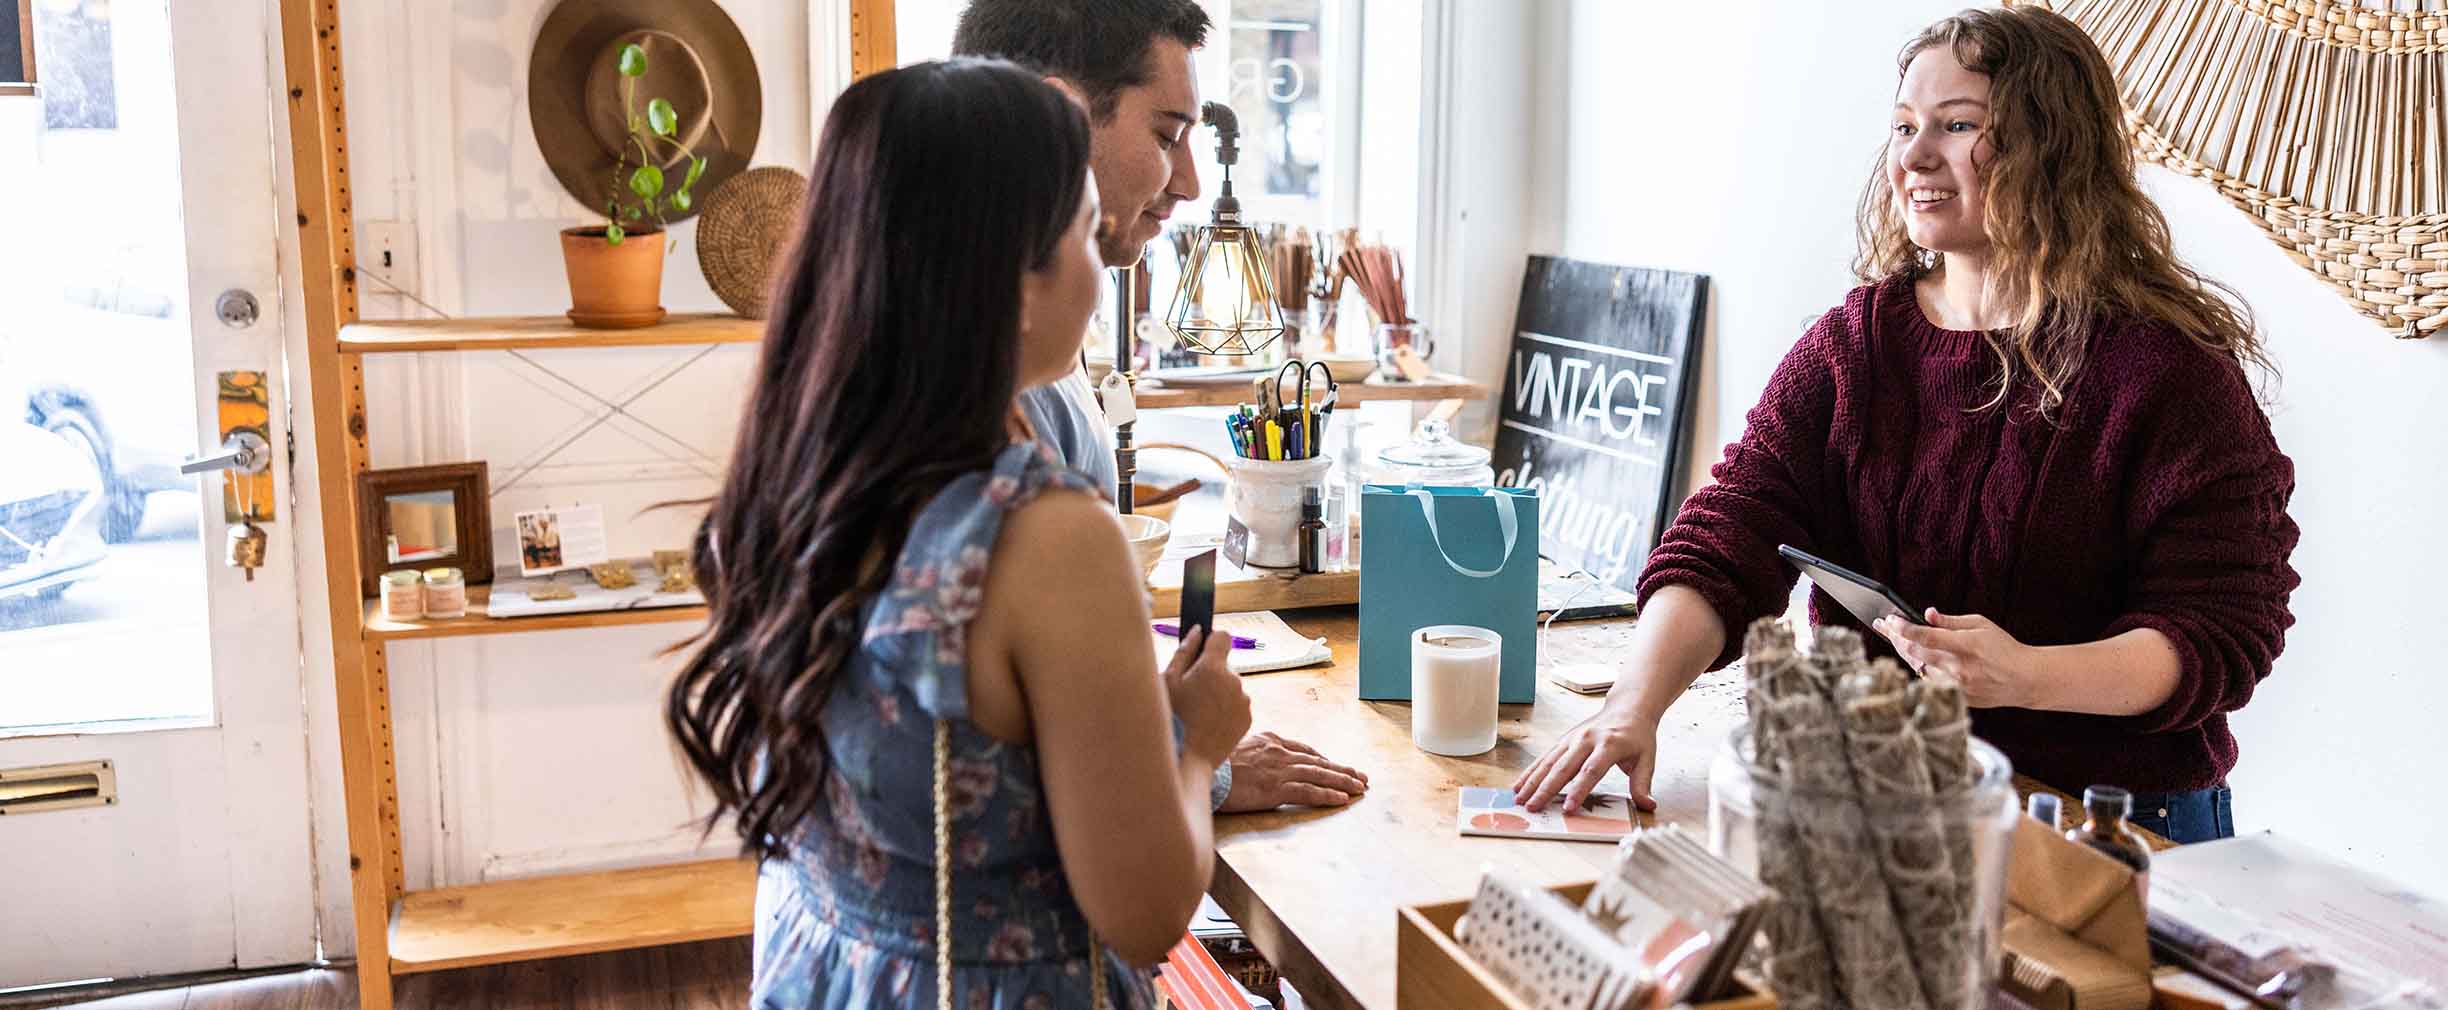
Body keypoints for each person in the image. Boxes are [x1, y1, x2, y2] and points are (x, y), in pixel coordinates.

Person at [1513, 6, 2299, 846]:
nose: (1915, 157)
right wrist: (1633, 710)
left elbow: (2223, 628)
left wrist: (2023, 676)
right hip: (1884, 802)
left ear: (2056, 150)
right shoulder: (1858, 346)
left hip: (2110, 828)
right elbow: (1726, 536)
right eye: (1903, 127)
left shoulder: (2167, 374)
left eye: (1958, 126)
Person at [665, 60, 1248, 1008]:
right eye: (1084, 233)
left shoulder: (798, 475)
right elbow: (1144, 916)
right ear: (1014, 280)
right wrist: (1199, 742)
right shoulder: (1050, 543)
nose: (1099, 270)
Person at [956, 0, 1371, 814]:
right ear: (1059, 119)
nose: (1187, 182)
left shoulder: (891, 379)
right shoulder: (1007, 404)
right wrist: (1196, 761)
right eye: (1166, 135)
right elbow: (1077, 807)